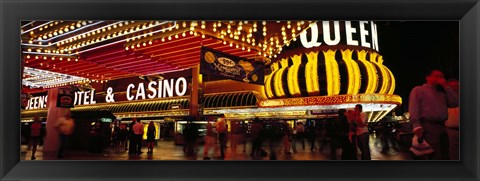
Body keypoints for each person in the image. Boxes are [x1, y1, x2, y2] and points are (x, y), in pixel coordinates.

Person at [409, 70, 459, 160]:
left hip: (443, 127)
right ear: (428, 77)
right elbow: (414, 108)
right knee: (435, 155)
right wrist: (416, 125)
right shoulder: (418, 90)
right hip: (428, 127)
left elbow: (456, 102)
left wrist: (446, 86)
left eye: (442, 76)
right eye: (437, 76)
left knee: (445, 154)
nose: (440, 78)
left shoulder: (442, 94)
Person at [444, 79, 460, 160]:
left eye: (456, 85)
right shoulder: (446, 97)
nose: (454, 88)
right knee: (454, 151)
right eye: (451, 86)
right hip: (451, 129)